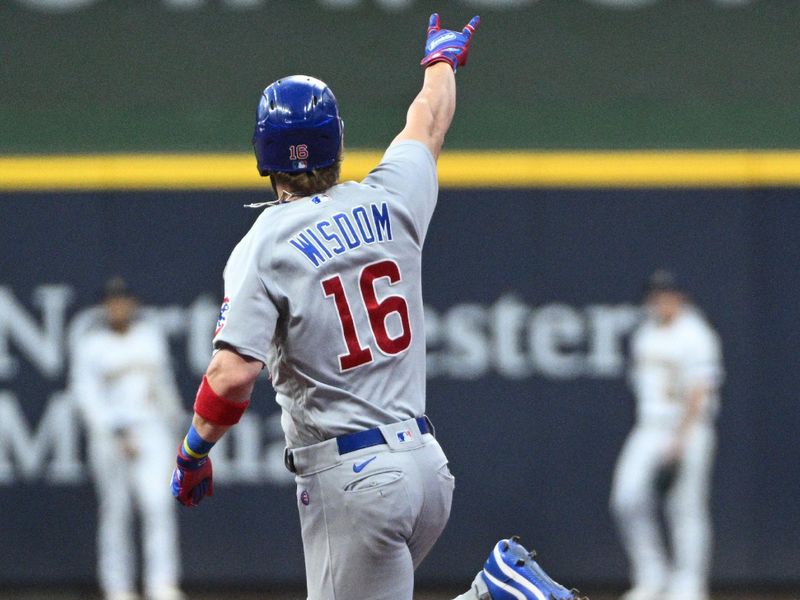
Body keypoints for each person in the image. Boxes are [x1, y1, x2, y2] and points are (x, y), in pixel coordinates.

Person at [170, 14, 582, 600]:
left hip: (353, 477)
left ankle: (496, 595)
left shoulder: (265, 243)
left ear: (263, 155)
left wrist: (193, 452)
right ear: (337, 140)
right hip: (425, 466)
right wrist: (441, 60)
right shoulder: (389, 198)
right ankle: (492, 592)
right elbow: (428, 120)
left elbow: (232, 375)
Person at [610, 270, 723, 600]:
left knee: (685, 508)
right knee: (626, 499)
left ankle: (689, 584)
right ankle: (652, 575)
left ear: (681, 297)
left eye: (668, 294)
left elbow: (700, 389)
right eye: (656, 295)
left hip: (688, 428)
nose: (661, 301)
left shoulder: (696, 333)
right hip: (649, 427)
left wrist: (680, 438)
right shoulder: (645, 334)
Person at [71, 277, 185, 600]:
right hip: (111, 436)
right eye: (112, 300)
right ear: (104, 306)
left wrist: (175, 426)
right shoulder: (91, 344)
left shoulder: (149, 337)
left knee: (158, 505)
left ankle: (162, 584)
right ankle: (117, 586)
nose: (118, 306)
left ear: (132, 304)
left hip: (151, 432)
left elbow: (163, 388)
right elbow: (86, 397)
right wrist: (113, 431)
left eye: (123, 300)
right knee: (116, 512)